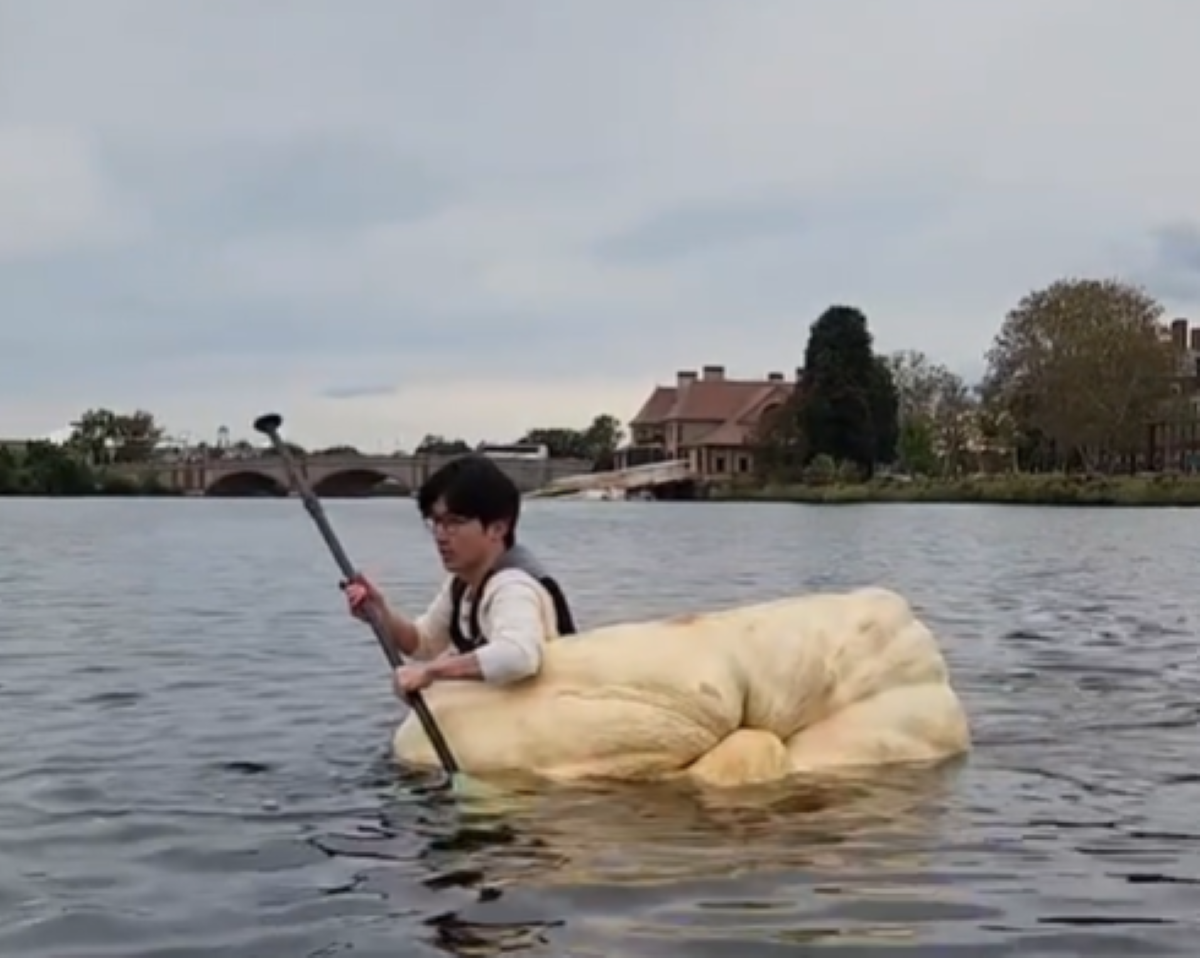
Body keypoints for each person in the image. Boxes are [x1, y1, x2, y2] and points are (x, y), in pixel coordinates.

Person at [342, 453, 577, 701]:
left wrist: (431, 672)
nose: (441, 536)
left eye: (454, 522)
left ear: (498, 528)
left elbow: (519, 656)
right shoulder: (463, 583)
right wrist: (380, 613)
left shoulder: (513, 587)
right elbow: (424, 644)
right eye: (436, 522)